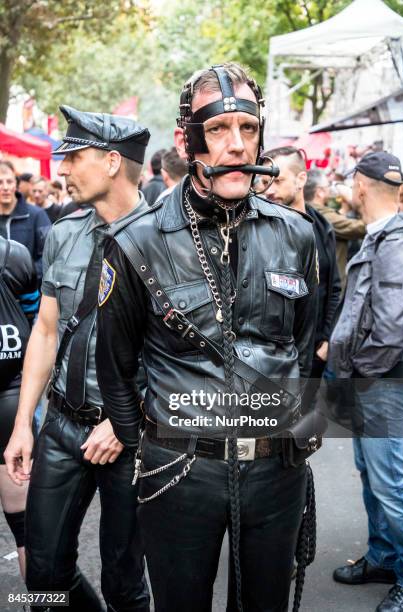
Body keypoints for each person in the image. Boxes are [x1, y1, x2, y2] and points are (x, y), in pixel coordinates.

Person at [96, 62, 319, 612]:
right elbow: (116, 367)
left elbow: (303, 341)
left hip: (277, 473)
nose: (237, 146)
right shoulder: (134, 242)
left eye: (248, 129)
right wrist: (152, 447)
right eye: (218, 130)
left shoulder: (296, 232)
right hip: (179, 476)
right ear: (186, 139)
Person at [4, 105, 151, 612]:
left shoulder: (169, 240)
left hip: (132, 438)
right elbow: (45, 332)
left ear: (112, 162)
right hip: (63, 426)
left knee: (124, 581)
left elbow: (183, 350)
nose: (61, 169)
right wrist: (25, 423)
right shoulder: (65, 232)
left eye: (73, 157)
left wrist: (126, 418)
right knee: (45, 571)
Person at [329, 151, 403, 612]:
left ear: (360, 186)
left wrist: (359, 372)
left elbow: (394, 327)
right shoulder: (384, 236)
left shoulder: (396, 241)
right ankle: (383, 557)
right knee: (373, 477)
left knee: (391, 485)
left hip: (381, 384)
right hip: (372, 382)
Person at [260, 146, 341, 391]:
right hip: (272, 360)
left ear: (301, 179)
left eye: (278, 180)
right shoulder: (259, 227)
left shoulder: (321, 226)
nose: (270, 190)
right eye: (264, 182)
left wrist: (326, 340)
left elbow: (333, 287)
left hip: (314, 354)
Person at [0, 235, 39, 579]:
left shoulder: (15, 257)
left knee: (28, 527)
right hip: (12, 395)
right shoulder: (15, 256)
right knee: (27, 529)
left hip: (11, 400)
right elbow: (37, 326)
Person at [304, 169, 366, 289]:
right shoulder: (322, 215)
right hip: (332, 289)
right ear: (320, 192)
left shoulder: (313, 211)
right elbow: (363, 228)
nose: (331, 189)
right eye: (328, 185)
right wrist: (354, 201)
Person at [0, 161, 51, 281]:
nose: (6, 187)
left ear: (16, 185)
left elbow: (50, 254)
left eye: (9, 181)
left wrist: (27, 276)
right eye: (0, 182)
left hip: (28, 293)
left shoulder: (37, 215)